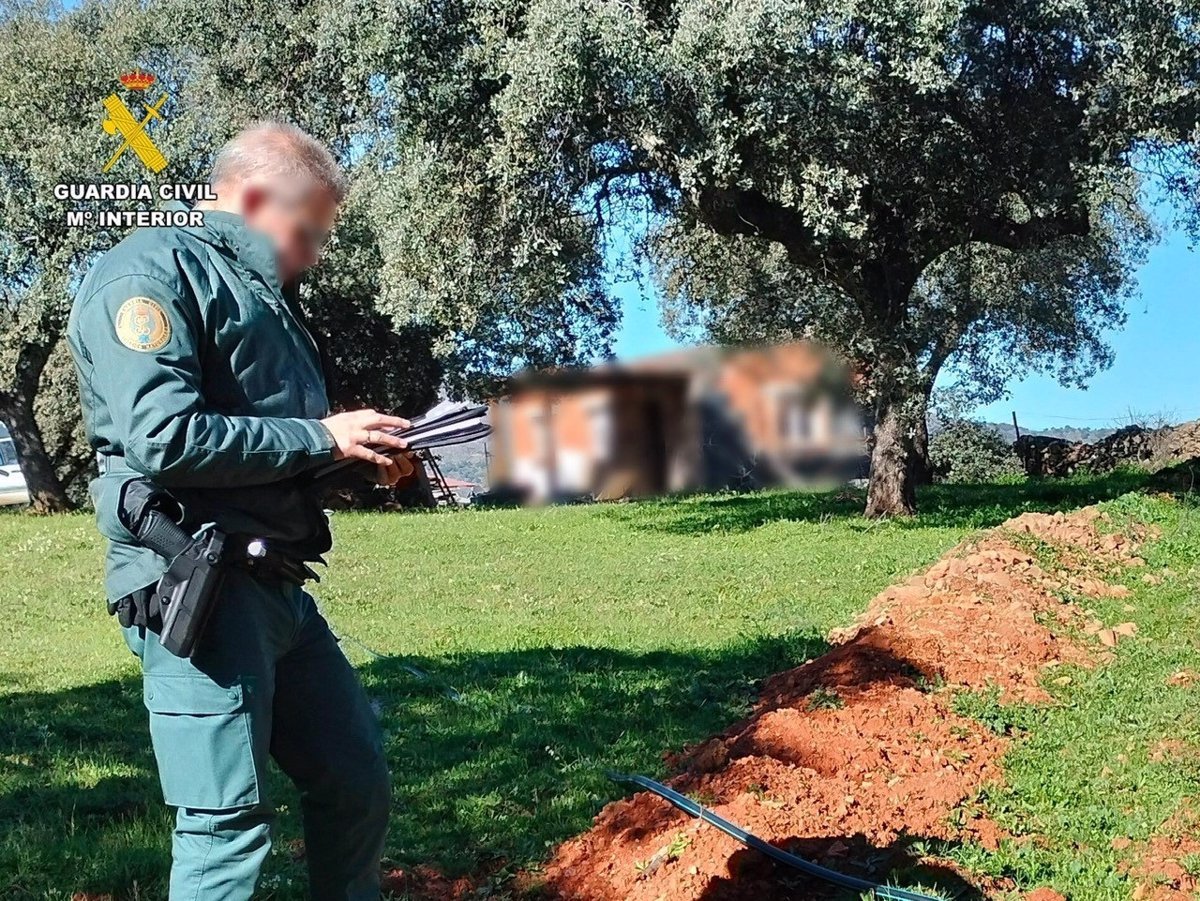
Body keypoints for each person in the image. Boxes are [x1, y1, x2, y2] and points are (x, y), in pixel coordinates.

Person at [67, 122, 406, 900]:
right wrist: (321, 432)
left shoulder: (261, 297)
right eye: (307, 232)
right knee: (224, 830)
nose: (313, 255)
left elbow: (260, 451)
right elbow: (166, 437)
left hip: (280, 587)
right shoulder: (146, 273)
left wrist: (352, 457)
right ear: (253, 199)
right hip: (201, 591)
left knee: (356, 782)